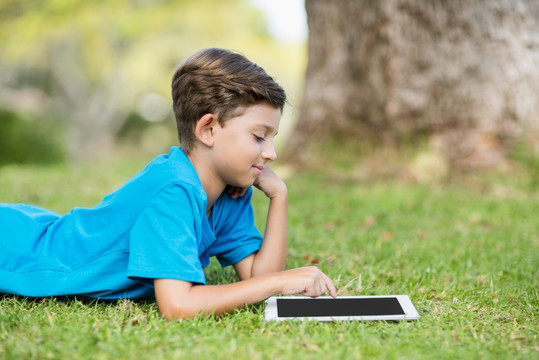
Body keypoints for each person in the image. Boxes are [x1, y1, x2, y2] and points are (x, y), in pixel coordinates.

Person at [0, 48, 336, 321]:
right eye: (259, 137)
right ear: (208, 130)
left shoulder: (231, 190)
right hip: (18, 248)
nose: (271, 153)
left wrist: (279, 197)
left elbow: (256, 277)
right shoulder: (172, 190)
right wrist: (281, 281)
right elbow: (178, 306)